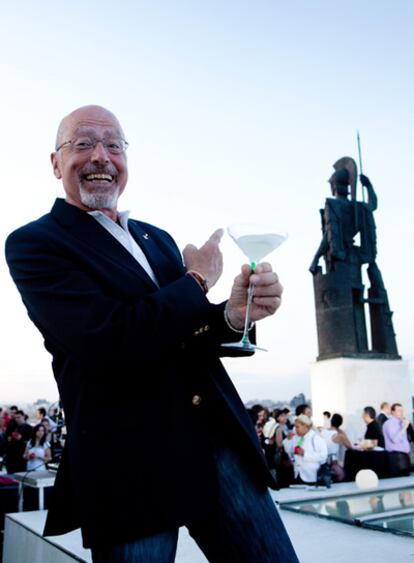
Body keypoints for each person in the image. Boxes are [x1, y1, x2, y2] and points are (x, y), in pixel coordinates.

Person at [5, 105, 298, 562]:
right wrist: (197, 282)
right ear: (55, 163)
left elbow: (181, 334)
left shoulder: (155, 237)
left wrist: (233, 315)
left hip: (216, 446)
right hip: (129, 464)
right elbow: (105, 341)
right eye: (83, 144)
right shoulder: (35, 243)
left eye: (114, 145)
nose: (101, 155)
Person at [283, 414, 327, 485]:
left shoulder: (316, 438)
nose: (295, 429)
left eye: (297, 427)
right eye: (295, 426)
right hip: (298, 474)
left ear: (306, 427)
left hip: (312, 476)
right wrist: (287, 440)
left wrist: (305, 454)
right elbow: (288, 450)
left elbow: (323, 456)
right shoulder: (296, 438)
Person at [382, 403, 411, 476]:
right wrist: (404, 427)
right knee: (399, 481)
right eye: (399, 410)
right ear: (392, 412)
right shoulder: (389, 423)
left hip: (404, 456)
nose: (402, 412)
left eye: (402, 410)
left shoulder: (402, 422)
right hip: (396, 457)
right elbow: (395, 440)